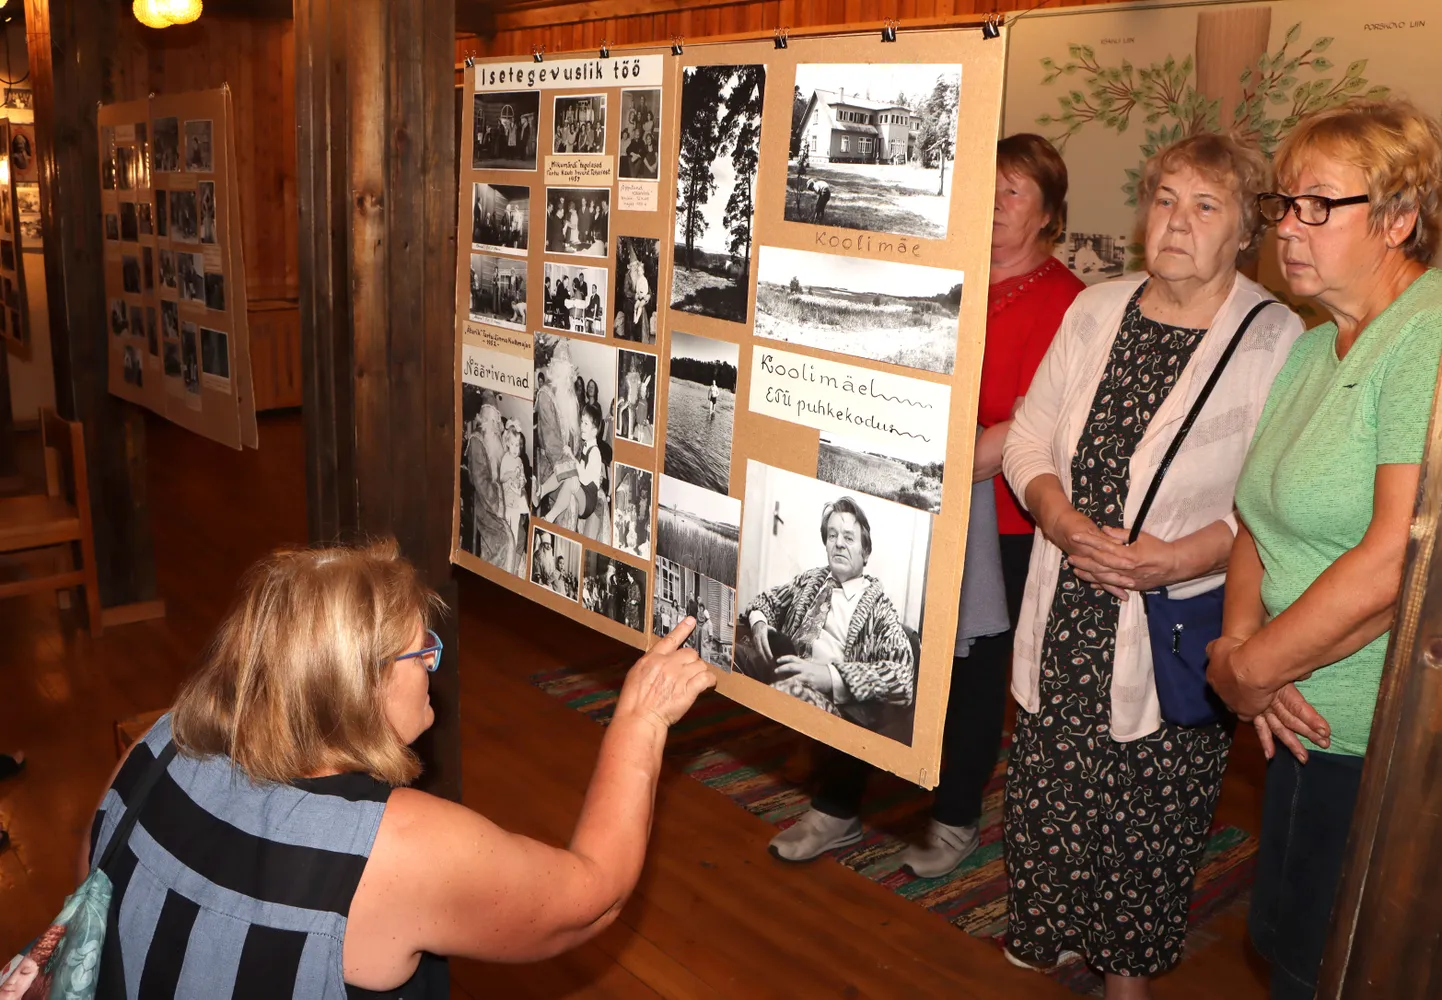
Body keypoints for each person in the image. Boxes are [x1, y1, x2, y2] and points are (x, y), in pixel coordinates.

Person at [76, 542, 714, 997]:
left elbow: (91, 899)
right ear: (360, 685)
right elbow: (591, 900)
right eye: (421, 652)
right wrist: (641, 721)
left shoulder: (159, 741)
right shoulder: (392, 849)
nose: (434, 665)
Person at [1001, 132, 1305, 997]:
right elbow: (1029, 436)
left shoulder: (1276, 338)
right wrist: (1059, 519)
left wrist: (1173, 558)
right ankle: (1061, 941)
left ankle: (1129, 975)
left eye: (1206, 206)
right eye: (1165, 199)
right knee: (1057, 786)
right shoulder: (1097, 309)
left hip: (1179, 618)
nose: (1177, 222)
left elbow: (1267, 496)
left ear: (1244, 228)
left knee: (1151, 807)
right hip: (1068, 601)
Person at [767, 135, 1087, 877]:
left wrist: (932, 468)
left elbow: (1042, 421)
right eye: (989, 186)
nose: (997, 203)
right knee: (857, 644)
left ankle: (953, 818)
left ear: (1050, 215)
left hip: (999, 517)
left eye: (1015, 191)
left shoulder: (1069, 304)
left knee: (973, 677)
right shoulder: (944, 276)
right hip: (905, 501)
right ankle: (836, 802)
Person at [1206, 98, 1442, 1000]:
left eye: (1318, 206)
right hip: (1294, 713)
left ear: (1397, 220)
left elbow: (1399, 563)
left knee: (1336, 971)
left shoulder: (1427, 339)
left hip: (1379, 736)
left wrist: (1251, 669)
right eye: (1282, 206)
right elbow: (1254, 521)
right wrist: (1236, 650)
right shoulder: (1311, 347)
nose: (1289, 229)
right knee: (1290, 949)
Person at [739, 497, 915, 729]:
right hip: (779, 668)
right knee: (728, 653)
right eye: (832, 536)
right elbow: (767, 601)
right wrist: (759, 622)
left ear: (866, 553)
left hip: (827, 702)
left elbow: (902, 678)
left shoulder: (879, 609)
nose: (839, 543)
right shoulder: (811, 579)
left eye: (849, 537)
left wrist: (830, 677)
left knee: (784, 696)